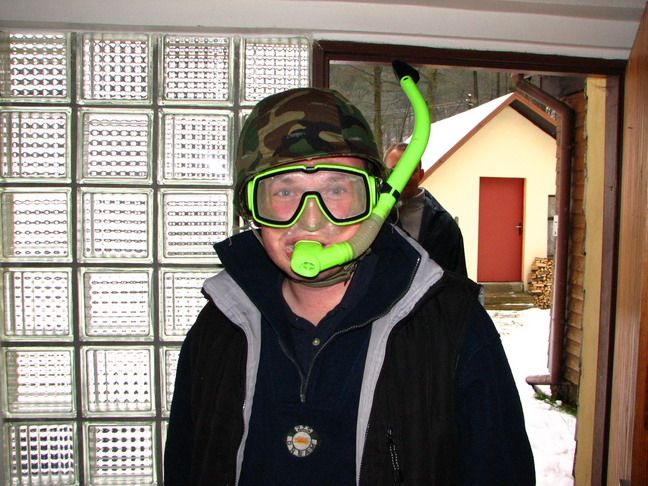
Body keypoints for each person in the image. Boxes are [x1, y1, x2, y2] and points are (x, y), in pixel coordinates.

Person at [164, 87, 535, 485]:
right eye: (284, 191)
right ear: (251, 208)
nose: (310, 220)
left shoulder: (455, 329)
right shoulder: (219, 328)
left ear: (374, 201)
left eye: (336, 190)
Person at [384, 142, 468, 276]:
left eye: (410, 170)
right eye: (395, 170)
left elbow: (458, 282)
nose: (403, 176)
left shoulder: (445, 225)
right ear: (383, 174)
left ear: (421, 174)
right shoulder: (370, 219)